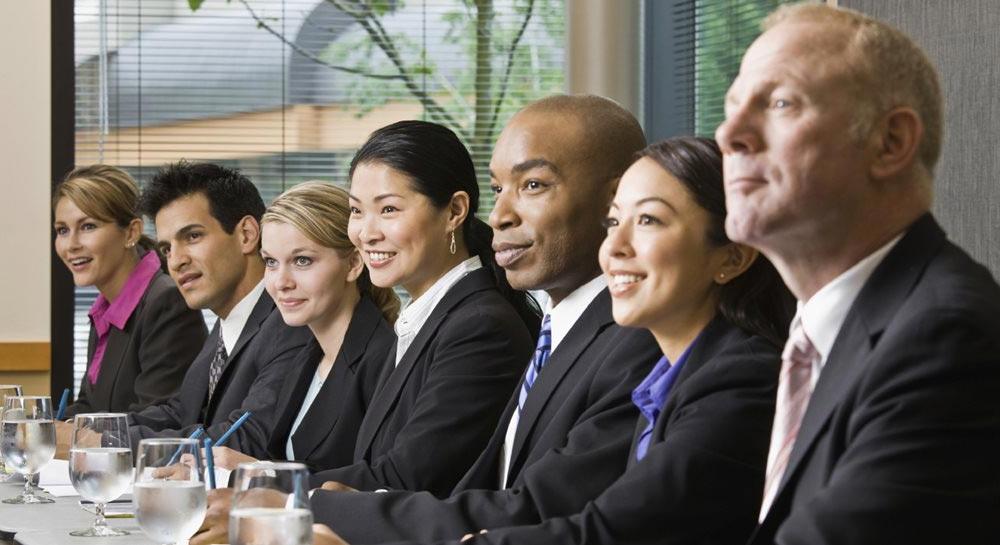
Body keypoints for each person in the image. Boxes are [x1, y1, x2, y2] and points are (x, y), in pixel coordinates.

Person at [192, 96, 663, 545]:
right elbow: (489, 489)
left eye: (532, 185)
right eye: (498, 189)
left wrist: (293, 500)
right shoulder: (547, 328)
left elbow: (512, 504)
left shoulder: (496, 327)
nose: (498, 214)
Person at [317, 137, 794, 545]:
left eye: (648, 221)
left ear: (731, 257)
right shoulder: (670, 377)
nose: (616, 247)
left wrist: (313, 508)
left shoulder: (739, 376)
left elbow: (599, 533)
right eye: (614, 222)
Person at [714, 4, 1000, 544]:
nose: (730, 134)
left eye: (779, 102)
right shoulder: (823, 334)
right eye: (731, 108)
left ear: (890, 143)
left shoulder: (946, 340)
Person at [109, 162, 309, 451]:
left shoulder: (289, 321)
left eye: (192, 236)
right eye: (166, 248)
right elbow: (182, 412)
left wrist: (108, 442)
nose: (176, 261)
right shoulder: (226, 322)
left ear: (247, 234)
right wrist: (94, 428)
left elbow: (241, 440)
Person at [209, 181, 397, 471]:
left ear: (353, 264)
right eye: (271, 262)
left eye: (302, 260)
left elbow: (377, 484)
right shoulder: (305, 356)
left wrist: (263, 472)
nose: (281, 282)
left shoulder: (383, 362)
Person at [52, 164, 206, 416]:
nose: (71, 245)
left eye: (88, 226)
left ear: (131, 232)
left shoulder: (167, 302)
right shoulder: (105, 309)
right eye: (62, 230)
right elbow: (90, 406)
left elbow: (160, 418)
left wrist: (66, 436)